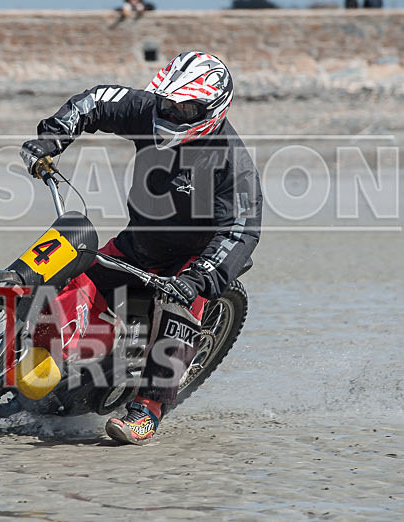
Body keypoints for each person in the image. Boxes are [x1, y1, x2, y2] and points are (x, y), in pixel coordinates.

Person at [20, 51, 262, 445]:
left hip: (190, 265)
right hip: (136, 243)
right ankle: (63, 358)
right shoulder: (146, 111)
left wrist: (197, 279)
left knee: (177, 320)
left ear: (211, 111)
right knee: (69, 290)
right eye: (168, 102)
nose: (171, 113)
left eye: (184, 109)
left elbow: (241, 232)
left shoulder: (233, 166)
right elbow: (95, 101)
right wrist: (53, 138)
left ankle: (147, 410)